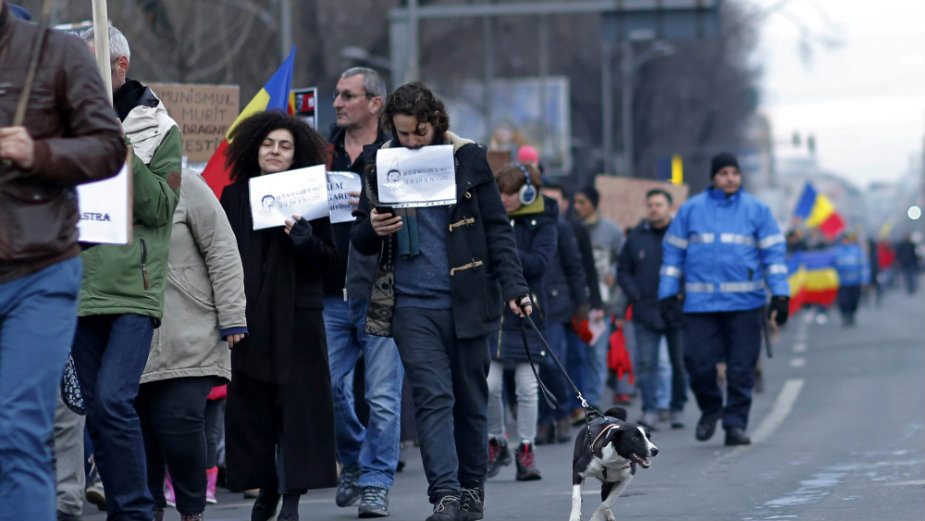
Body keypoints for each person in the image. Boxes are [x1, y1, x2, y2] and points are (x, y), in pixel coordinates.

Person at [351, 82, 531, 521]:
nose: (412, 142)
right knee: (433, 398)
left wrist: (515, 287)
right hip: (411, 305)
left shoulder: (468, 158)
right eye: (403, 133)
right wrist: (374, 227)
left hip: (470, 300)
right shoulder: (380, 161)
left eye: (419, 133)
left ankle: (471, 490)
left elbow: (496, 230)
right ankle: (445, 495)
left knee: (471, 400)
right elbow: (358, 239)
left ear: (436, 122)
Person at [0, 4, 124, 520]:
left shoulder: (56, 53)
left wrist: (40, 152)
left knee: (16, 428)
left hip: (38, 269)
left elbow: (108, 148)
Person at [69, 25, 182, 521]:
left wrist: (123, 152)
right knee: (96, 410)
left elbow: (161, 207)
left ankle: (137, 510)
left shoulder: (160, 130)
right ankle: (120, 508)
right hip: (75, 286)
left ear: (118, 66)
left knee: (115, 399)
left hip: (132, 292)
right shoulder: (62, 120)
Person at [220, 111, 338, 521]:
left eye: (285, 146)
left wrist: (306, 242)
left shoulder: (313, 200)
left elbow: (333, 265)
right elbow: (221, 259)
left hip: (299, 320)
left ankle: (292, 499)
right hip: (249, 321)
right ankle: (266, 487)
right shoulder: (233, 197)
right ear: (255, 148)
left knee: (299, 411)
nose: (275, 151)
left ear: (297, 154)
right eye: (269, 144)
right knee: (253, 413)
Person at [137, 169, 247, 521]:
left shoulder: (186, 183)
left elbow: (222, 249)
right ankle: (149, 508)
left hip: (190, 328)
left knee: (179, 420)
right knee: (139, 430)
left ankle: (190, 510)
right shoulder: (99, 181)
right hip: (125, 328)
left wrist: (232, 316)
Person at [659, 152, 790, 447]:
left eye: (734, 172)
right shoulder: (691, 210)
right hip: (700, 306)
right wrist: (666, 294)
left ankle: (735, 425)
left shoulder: (757, 210)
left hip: (746, 305)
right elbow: (673, 256)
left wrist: (781, 295)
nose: (730, 178)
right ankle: (711, 408)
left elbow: (774, 256)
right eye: (724, 173)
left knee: (741, 369)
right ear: (713, 177)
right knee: (697, 363)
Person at [324, 67, 404, 518]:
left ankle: (375, 481)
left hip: (381, 292)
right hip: (328, 294)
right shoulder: (321, 151)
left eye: (348, 95)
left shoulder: (395, 153)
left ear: (375, 103)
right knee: (329, 386)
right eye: (336, 95)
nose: (337, 102)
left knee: (382, 397)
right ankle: (353, 459)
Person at [485, 164, 557, 482]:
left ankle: (526, 450)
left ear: (527, 193)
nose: (503, 199)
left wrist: (503, 248)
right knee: (489, 386)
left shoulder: (544, 220)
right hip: (493, 313)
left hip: (527, 311)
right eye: (500, 192)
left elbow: (540, 264)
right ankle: (496, 441)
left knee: (528, 389)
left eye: (510, 194)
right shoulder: (489, 217)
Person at [618, 189, 686, 430]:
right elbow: (623, 270)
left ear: (669, 207)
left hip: (677, 310)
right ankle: (650, 409)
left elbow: (693, 265)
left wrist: (683, 291)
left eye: (659, 204)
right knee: (646, 362)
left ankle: (677, 408)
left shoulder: (680, 236)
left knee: (679, 362)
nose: (654, 209)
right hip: (645, 311)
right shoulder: (636, 238)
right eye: (650, 205)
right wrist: (634, 293)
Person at [536, 181, 590, 444]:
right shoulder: (518, 224)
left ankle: (561, 412)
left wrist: (582, 305)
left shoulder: (561, 228)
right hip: (528, 306)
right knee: (533, 369)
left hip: (557, 307)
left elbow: (575, 267)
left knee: (553, 363)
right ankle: (544, 420)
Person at [571, 186, 627, 406]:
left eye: (582, 202)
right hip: (577, 300)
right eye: (575, 202)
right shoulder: (570, 229)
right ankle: (578, 400)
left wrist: (613, 274)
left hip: (601, 302)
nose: (578, 207)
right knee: (577, 355)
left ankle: (593, 401)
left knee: (596, 355)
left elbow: (624, 261)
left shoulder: (611, 230)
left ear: (594, 204)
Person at [833, 233, 869, 326]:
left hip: (855, 281)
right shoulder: (836, 252)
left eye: (846, 240)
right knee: (843, 301)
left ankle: (852, 315)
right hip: (841, 282)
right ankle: (845, 315)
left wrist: (865, 279)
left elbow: (864, 265)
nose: (845, 242)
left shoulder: (856, 251)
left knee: (854, 300)